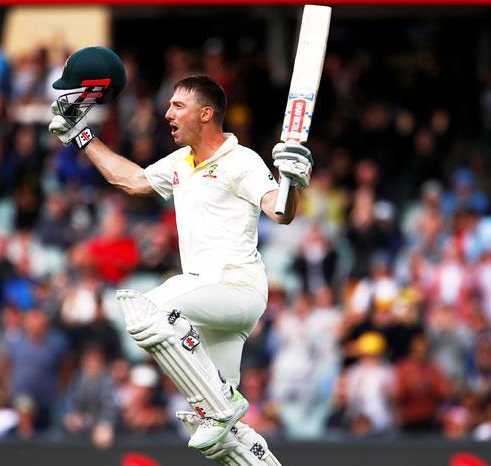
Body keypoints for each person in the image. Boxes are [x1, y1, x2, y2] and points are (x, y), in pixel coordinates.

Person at [48, 47, 311, 465]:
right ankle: (228, 413)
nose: (167, 112)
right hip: (210, 301)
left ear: (205, 114)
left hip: (234, 285)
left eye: (177, 105)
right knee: (222, 439)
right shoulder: (181, 162)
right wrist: (82, 135)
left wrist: (292, 181)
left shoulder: (241, 161)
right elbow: (130, 180)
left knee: (147, 309)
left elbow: (280, 212)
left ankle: (222, 403)